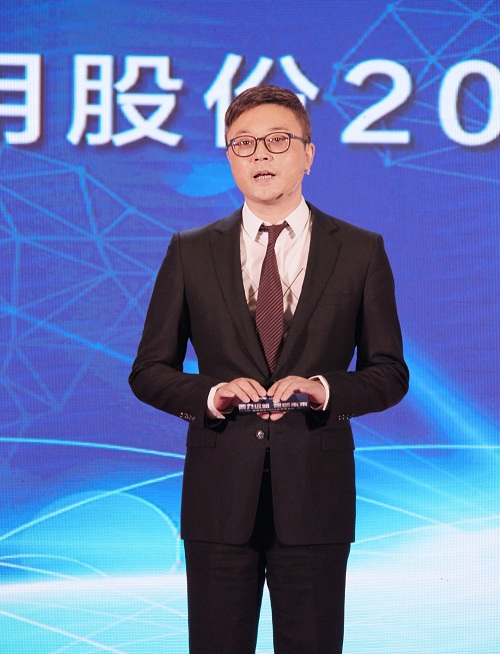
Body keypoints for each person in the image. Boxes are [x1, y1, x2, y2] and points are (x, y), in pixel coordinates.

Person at [129, 85, 409, 654]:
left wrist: (323, 390)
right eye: (243, 144)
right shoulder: (190, 251)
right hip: (218, 501)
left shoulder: (360, 251)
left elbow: (389, 372)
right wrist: (212, 394)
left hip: (316, 498)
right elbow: (149, 370)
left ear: (308, 154)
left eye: (277, 140)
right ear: (229, 158)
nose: (260, 154)